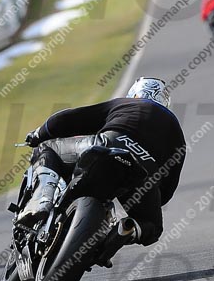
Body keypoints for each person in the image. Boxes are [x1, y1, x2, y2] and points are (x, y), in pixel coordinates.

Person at [22, 77, 186, 264]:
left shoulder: (126, 104)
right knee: (152, 227)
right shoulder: (177, 134)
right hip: (142, 174)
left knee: (46, 148)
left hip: (106, 147)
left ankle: (41, 201)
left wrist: (39, 134)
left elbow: (66, 119)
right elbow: (167, 189)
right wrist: (147, 200)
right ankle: (125, 230)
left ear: (134, 93)